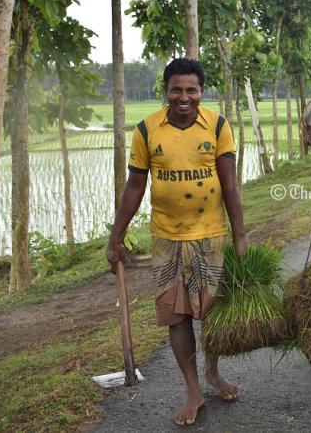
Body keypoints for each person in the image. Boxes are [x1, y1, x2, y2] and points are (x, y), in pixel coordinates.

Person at [106, 58, 249, 426]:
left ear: (201, 91)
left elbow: (229, 185)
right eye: (176, 90)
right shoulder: (147, 130)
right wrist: (116, 236)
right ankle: (193, 390)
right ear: (166, 91)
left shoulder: (218, 126)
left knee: (212, 314)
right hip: (167, 238)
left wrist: (240, 235)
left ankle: (213, 372)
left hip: (210, 236)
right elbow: (135, 186)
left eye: (191, 90)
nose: (184, 97)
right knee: (177, 317)